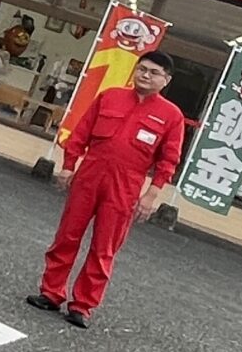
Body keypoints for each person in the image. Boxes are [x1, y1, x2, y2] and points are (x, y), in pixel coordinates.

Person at [29, 52, 186, 328]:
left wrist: (151, 195)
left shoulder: (171, 116)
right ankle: (51, 293)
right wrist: (68, 166)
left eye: (153, 72)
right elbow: (81, 133)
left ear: (166, 80)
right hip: (90, 175)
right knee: (67, 236)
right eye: (142, 69)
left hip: (126, 186)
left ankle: (82, 306)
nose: (145, 75)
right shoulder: (109, 96)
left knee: (104, 247)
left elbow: (168, 160)